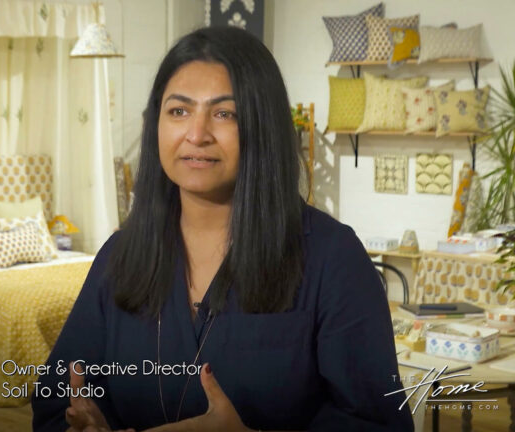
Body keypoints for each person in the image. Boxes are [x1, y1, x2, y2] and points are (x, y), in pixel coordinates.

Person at [32, 26, 413, 431]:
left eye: (224, 113)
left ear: (262, 127)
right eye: (178, 111)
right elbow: (56, 401)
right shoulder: (120, 256)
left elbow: (380, 423)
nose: (196, 135)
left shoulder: (333, 259)